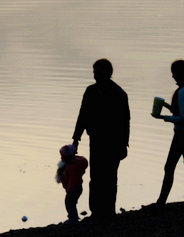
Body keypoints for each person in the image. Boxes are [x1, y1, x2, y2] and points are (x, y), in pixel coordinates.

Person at [72, 58, 131, 220]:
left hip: (113, 142)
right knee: (95, 176)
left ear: (108, 74)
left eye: (98, 73)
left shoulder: (119, 94)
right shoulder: (90, 91)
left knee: (110, 177)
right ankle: (96, 211)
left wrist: (124, 145)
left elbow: (124, 121)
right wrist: (76, 138)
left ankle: (109, 212)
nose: (95, 76)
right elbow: (82, 115)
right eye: (94, 73)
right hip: (96, 140)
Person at [153, 59, 184, 206]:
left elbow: (183, 118)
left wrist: (163, 117)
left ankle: (161, 203)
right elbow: (183, 112)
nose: (172, 76)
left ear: (179, 73)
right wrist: (166, 106)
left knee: (170, 166)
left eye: (174, 73)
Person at [56, 143, 88, 223]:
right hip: (74, 188)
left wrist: (70, 190)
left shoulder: (73, 167)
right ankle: (74, 217)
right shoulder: (71, 165)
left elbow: (73, 180)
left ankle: (73, 218)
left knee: (69, 204)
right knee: (71, 203)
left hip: (73, 189)